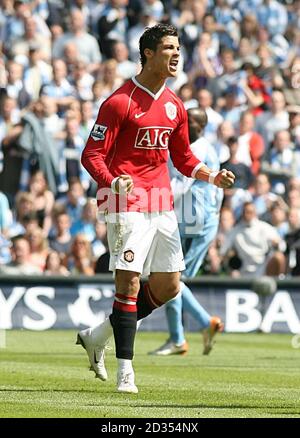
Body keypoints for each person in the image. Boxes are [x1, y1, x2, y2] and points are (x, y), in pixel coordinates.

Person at [77, 24, 235, 394]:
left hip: (160, 202)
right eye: (168, 47)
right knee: (129, 282)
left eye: (178, 47)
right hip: (122, 200)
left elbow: (182, 158)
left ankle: (98, 334)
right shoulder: (119, 101)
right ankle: (125, 373)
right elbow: (92, 154)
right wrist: (112, 180)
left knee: (168, 286)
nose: (177, 54)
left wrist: (212, 176)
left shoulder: (174, 105)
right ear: (148, 53)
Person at [149, 107, 224, 356]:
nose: (181, 123)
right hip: (194, 221)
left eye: (188, 121)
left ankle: (185, 334)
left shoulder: (198, 150)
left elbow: (180, 185)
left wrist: (151, 198)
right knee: (170, 276)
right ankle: (187, 332)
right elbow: (218, 191)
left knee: (171, 276)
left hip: (193, 223)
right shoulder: (202, 148)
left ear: (200, 126)